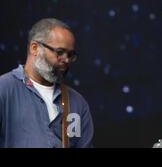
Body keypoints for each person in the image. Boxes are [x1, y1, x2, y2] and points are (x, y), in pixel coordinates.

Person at [0, 18, 94, 147]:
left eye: (70, 55)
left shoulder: (78, 103)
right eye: (59, 52)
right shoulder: (4, 89)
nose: (66, 60)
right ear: (35, 48)